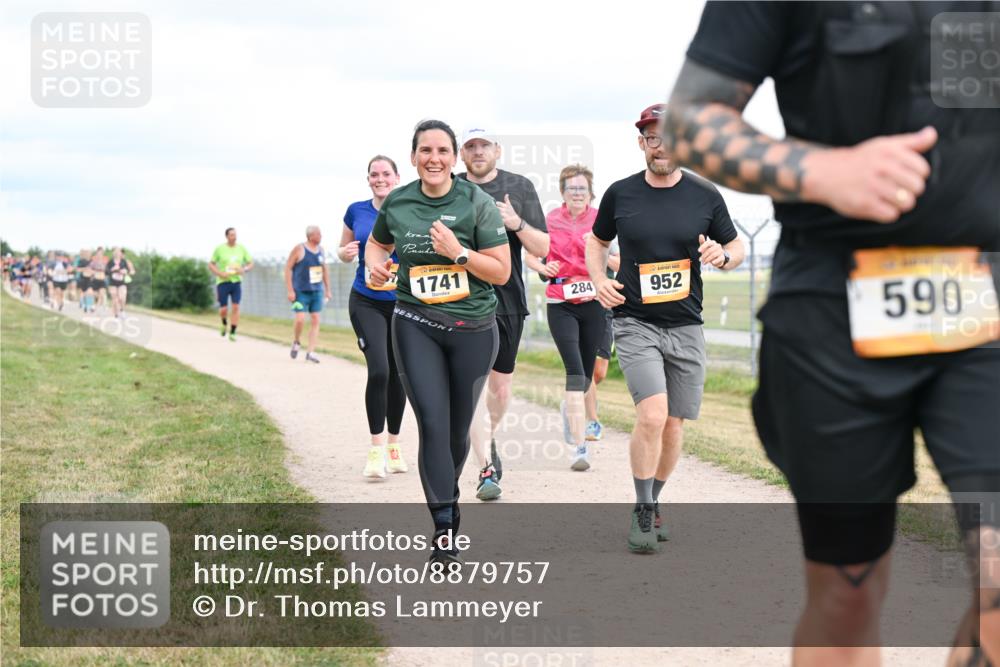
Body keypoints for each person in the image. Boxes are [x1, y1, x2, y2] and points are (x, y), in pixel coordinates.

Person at [665, 2, 1000, 663]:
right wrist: (823, 171)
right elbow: (688, 120)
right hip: (830, 310)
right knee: (848, 596)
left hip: (987, 302)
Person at [586, 103, 744, 554]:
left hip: (686, 325)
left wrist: (723, 257)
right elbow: (596, 241)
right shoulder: (621, 194)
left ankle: (654, 500)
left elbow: (735, 247)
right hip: (635, 321)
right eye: (653, 137)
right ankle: (641, 508)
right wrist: (598, 280)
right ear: (642, 143)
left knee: (674, 423)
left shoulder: (705, 195)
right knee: (653, 415)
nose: (661, 146)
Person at [365, 119, 510, 566]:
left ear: (454, 157)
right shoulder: (399, 202)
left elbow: (501, 271)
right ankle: (444, 529)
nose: (434, 158)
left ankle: (448, 495)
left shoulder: (476, 203)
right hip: (415, 321)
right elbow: (376, 245)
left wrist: (458, 253)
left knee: (455, 432)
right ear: (413, 157)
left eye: (443, 150)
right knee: (432, 421)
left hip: (473, 329)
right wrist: (375, 267)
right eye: (425, 150)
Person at [457, 126, 549, 501]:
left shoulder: (520, 187)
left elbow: (542, 246)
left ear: (497, 150)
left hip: (508, 301)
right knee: (471, 384)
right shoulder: (451, 187)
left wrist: (517, 223)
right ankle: (485, 467)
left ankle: (489, 437)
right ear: (461, 154)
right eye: (470, 146)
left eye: (484, 145)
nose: (478, 151)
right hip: (462, 299)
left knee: (500, 387)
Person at [339, 154, 409, 479]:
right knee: (379, 370)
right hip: (366, 300)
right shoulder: (356, 210)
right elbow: (343, 250)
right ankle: (376, 450)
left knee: (398, 375)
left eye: (385, 174)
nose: (379, 179)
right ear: (368, 179)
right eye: (374, 174)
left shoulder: (409, 210)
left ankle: (394, 446)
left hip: (403, 303)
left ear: (397, 178)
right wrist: (344, 254)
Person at [534, 164, 607, 471]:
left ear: (590, 192)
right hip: (560, 301)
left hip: (594, 302)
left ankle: (571, 410)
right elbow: (531, 253)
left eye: (582, 188)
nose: (577, 193)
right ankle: (579, 448)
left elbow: (617, 257)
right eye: (571, 188)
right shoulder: (549, 220)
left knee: (588, 375)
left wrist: (604, 256)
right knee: (575, 372)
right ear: (562, 192)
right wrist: (542, 267)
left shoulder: (601, 220)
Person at [284, 226, 331, 363]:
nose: (321, 236)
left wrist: (328, 289)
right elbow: (288, 268)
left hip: (316, 291)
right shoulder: (299, 249)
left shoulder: (321, 250)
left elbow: (324, 270)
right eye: (318, 234)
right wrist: (290, 290)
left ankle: (310, 352)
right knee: (300, 319)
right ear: (311, 236)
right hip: (301, 291)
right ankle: (297, 341)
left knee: (315, 319)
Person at [209, 228, 254, 341]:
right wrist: (220, 273)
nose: (234, 237)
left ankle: (233, 332)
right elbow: (211, 264)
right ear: (227, 236)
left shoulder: (241, 248)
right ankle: (224, 323)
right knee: (224, 309)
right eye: (232, 235)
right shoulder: (220, 249)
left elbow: (250, 263)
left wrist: (244, 269)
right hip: (223, 282)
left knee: (236, 307)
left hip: (236, 282)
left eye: (235, 235)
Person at [106, 247, 135, 318]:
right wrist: (112, 269)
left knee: (122, 298)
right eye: (115, 252)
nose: (117, 253)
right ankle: (115, 314)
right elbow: (106, 272)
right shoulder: (110, 262)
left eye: (118, 252)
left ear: (120, 253)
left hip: (121, 282)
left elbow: (130, 271)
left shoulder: (124, 261)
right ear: (113, 253)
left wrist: (125, 271)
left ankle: (122, 311)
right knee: (115, 299)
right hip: (112, 282)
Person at [90, 247, 109, 311]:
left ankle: (96, 307)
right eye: (98, 254)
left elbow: (107, 271)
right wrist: (94, 272)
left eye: (101, 254)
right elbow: (89, 269)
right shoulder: (93, 262)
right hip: (95, 280)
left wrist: (105, 274)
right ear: (96, 254)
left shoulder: (105, 262)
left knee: (101, 294)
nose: (99, 255)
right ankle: (94, 304)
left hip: (102, 280)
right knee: (95, 295)